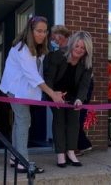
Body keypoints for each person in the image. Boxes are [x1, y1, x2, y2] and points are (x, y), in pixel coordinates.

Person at [0, 16, 64, 173]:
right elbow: (33, 76)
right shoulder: (23, 48)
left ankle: (16, 158)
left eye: (44, 31)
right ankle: (22, 161)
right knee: (24, 120)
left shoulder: (36, 48)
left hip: (22, 90)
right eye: (38, 31)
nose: (42, 34)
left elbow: (38, 73)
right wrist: (52, 94)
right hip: (15, 90)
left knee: (19, 122)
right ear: (31, 30)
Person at [44, 31, 93, 168]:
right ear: (72, 45)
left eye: (82, 48)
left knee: (74, 122)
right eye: (77, 46)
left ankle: (71, 152)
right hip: (56, 93)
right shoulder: (57, 56)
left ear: (86, 50)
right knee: (59, 120)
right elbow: (49, 79)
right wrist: (53, 95)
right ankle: (60, 154)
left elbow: (84, 85)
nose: (79, 50)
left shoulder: (87, 64)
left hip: (73, 95)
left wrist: (79, 100)